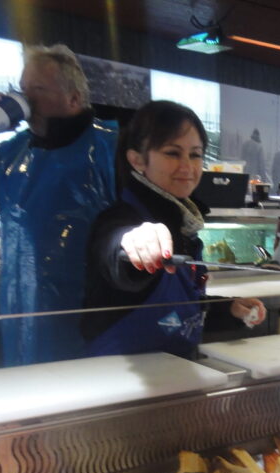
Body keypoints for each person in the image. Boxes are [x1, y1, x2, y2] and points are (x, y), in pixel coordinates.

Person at [0, 44, 117, 365]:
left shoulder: (112, 145)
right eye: (22, 89)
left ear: (73, 98)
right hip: (23, 308)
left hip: (95, 312)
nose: (26, 99)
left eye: (38, 89)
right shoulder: (13, 152)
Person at [83, 100, 265, 357]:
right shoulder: (119, 219)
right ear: (137, 160)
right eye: (172, 153)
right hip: (120, 381)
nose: (187, 167)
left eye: (195, 154)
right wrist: (134, 244)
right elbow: (116, 254)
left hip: (176, 374)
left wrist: (228, 310)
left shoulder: (185, 223)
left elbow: (179, 312)